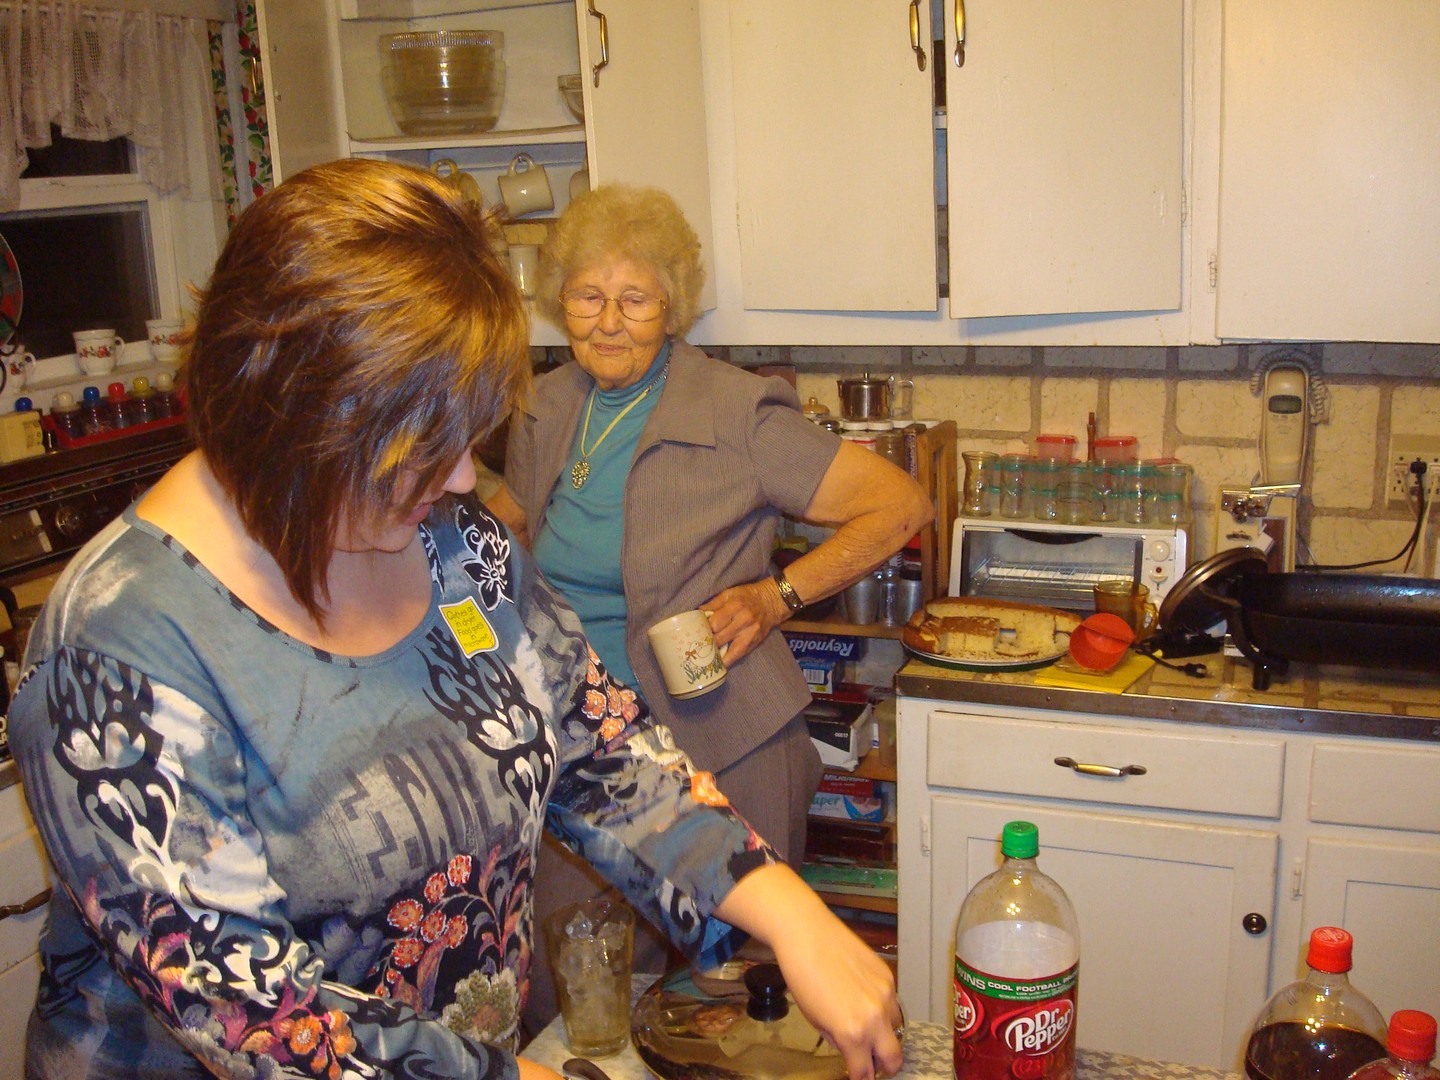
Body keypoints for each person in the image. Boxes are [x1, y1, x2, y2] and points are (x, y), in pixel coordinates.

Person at [5, 159, 903, 1080]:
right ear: (295, 413)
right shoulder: (118, 652)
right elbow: (258, 1020)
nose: (466, 479)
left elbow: (602, 750)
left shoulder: (454, 547)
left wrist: (786, 909)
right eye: (422, 444)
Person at [485, 184, 932, 1033]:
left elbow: (898, 505)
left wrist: (775, 596)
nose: (608, 321)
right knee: (576, 992)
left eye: (635, 299)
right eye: (586, 296)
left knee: (728, 1001)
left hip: (724, 742)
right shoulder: (547, 404)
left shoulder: (734, 408)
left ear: (672, 305)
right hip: (579, 748)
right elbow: (522, 518)